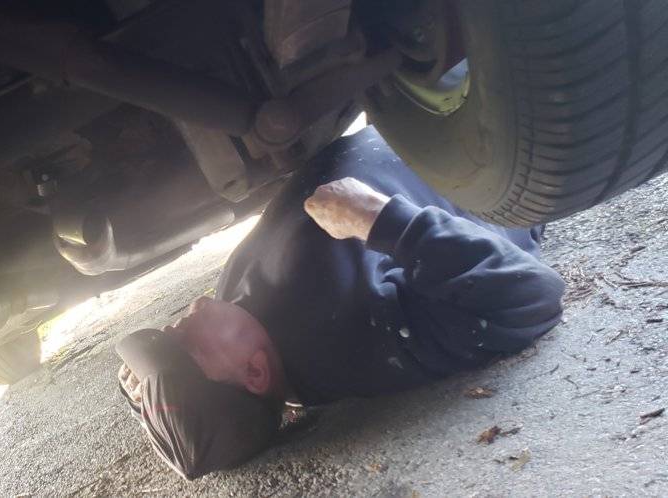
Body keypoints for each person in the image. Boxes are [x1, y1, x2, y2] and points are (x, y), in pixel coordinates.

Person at [115, 127, 566, 480]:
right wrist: (383, 221)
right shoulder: (358, 347)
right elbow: (529, 298)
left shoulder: (239, 321)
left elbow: (195, 413)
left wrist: (146, 397)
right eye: (184, 350)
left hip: (400, 116)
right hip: (488, 142)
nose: (170, 330)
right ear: (255, 373)